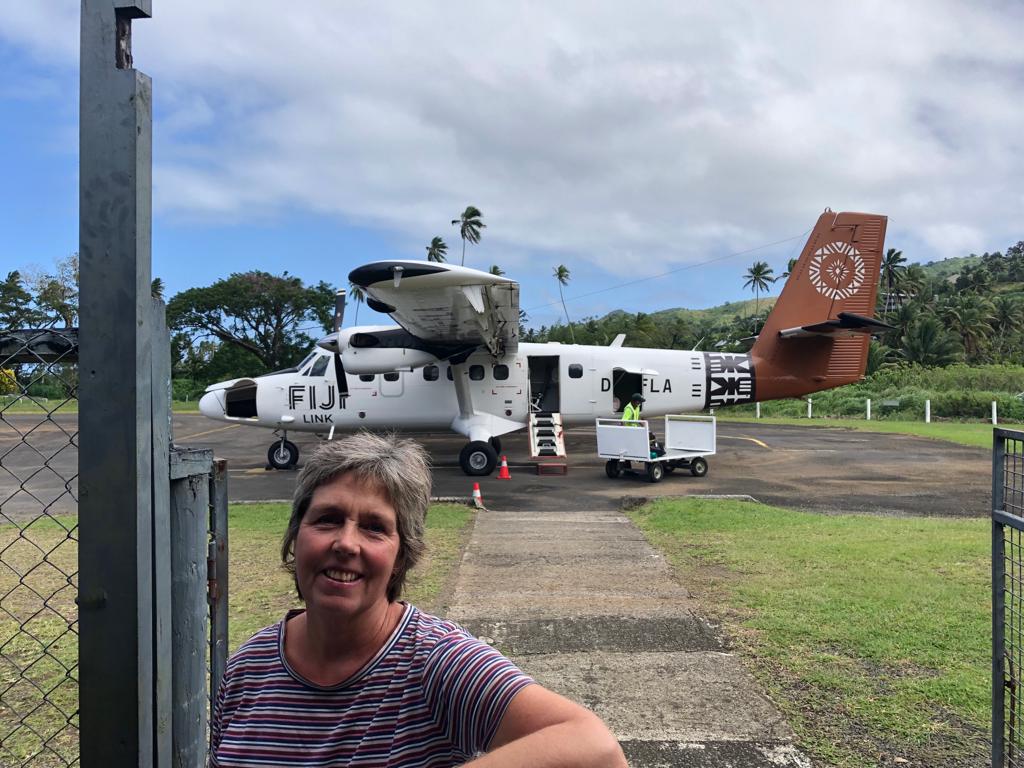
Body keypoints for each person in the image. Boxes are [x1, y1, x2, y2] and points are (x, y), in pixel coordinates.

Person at [210, 431, 627, 768]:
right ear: (296, 536)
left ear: (400, 558)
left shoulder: (434, 662)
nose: (346, 543)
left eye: (375, 528)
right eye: (327, 519)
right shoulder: (247, 668)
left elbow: (595, 748)